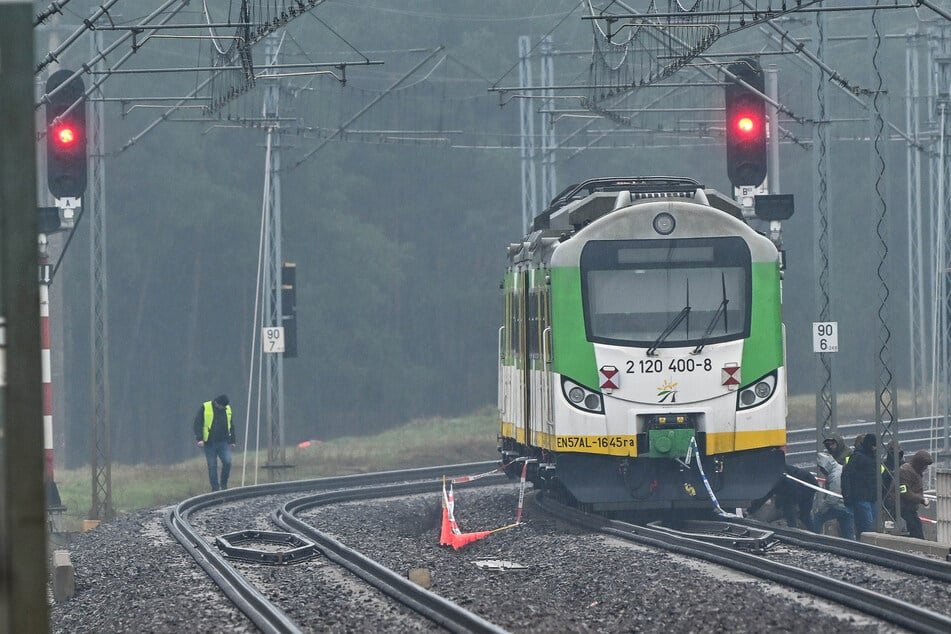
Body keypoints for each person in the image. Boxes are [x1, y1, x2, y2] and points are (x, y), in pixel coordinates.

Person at [748, 463, 817, 531]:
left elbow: (787, 492)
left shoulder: (774, 473)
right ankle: (812, 533)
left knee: (797, 514)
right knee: (802, 515)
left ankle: (794, 531)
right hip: (805, 483)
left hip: (805, 484)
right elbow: (766, 494)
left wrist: (751, 510)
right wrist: (751, 509)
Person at [193, 394, 237, 491]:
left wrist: (232, 440)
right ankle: (215, 489)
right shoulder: (205, 407)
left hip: (223, 442)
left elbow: (231, 425)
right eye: (223, 406)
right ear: (217, 403)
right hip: (209, 442)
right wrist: (199, 439)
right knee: (212, 466)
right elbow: (197, 423)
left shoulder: (227, 409)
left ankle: (224, 484)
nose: (224, 408)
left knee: (228, 462)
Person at [888, 450, 934, 540]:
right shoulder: (905, 471)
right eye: (924, 465)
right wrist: (922, 500)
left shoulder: (916, 472)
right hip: (902, 509)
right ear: (918, 463)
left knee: (917, 529)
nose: (925, 468)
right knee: (916, 532)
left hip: (909, 509)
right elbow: (904, 492)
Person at [841, 433, 879, 537]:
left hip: (871, 498)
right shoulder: (858, 457)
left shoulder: (873, 457)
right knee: (867, 527)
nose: (875, 448)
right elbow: (846, 475)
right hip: (861, 498)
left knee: (870, 527)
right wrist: (847, 496)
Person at [813, 452, 856, 540]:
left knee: (818, 518)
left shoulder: (835, 476)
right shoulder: (838, 470)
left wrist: (821, 508)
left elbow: (833, 497)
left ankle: (814, 538)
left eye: (822, 468)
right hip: (847, 505)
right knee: (847, 531)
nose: (822, 471)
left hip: (839, 506)